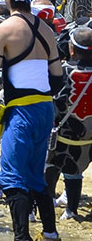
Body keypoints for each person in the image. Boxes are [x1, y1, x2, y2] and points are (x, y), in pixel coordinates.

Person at [0, 0, 63, 241]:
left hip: (22, 109)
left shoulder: (3, 29)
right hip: (44, 107)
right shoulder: (47, 30)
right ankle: (50, 233)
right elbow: (57, 79)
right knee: (35, 176)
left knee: (11, 178)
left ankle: (21, 237)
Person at [46, 24, 92, 221]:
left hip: (64, 133)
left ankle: (44, 205)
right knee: (75, 172)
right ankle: (71, 210)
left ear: (72, 50)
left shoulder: (64, 70)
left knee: (50, 166)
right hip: (89, 137)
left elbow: (54, 99)